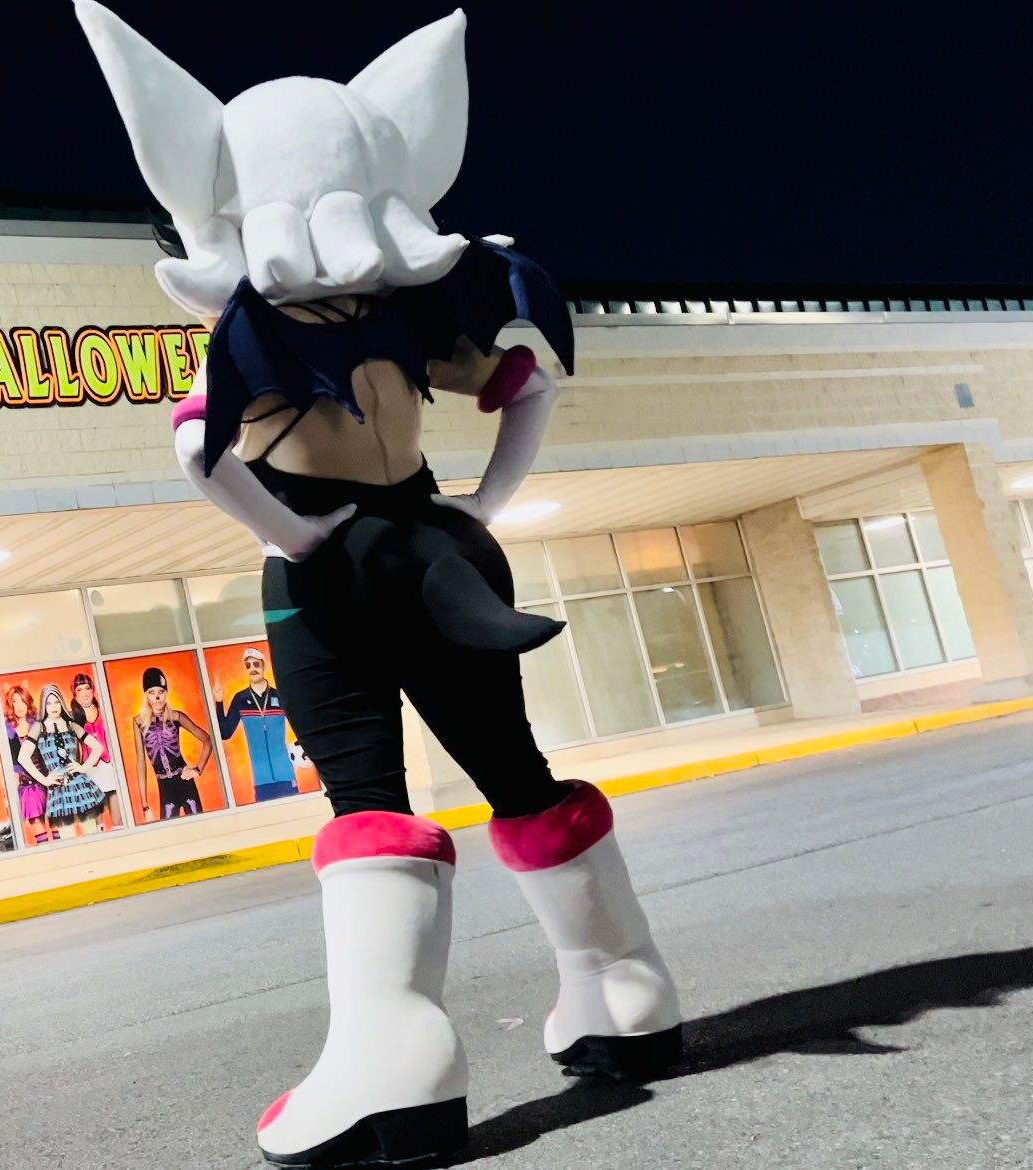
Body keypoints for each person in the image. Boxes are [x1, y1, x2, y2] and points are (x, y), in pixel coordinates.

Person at [76, 5, 683, 1166]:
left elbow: (197, 453)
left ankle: (395, 1060)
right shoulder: (416, 315)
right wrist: (480, 506)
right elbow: (527, 381)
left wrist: (295, 537)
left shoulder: (252, 329)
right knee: (514, 770)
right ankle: (624, 990)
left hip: (331, 574)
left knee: (364, 795)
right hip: (441, 545)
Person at [19, 685, 110, 838]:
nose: (53, 706)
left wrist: (83, 767)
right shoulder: (39, 727)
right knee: (67, 837)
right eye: (49, 703)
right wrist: (44, 780)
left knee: (91, 833)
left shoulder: (70, 725)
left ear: (61, 702)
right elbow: (22, 757)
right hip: (58, 790)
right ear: (43, 705)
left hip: (80, 786)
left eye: (56, 702)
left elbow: (98, 747)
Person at [215, 646, 299, 801]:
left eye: (256, 664)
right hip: (261, 779)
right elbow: (225, 733)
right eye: (248, 665)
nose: (252, 669)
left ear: (263, 666)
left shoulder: (279, 695)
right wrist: (219, 702)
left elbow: (300, 725)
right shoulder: (240, 699)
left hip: (286, 774)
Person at [131, 666, 214, 819]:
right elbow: (140, 763)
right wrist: (145, 805)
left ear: (166, 693)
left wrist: (198, 769)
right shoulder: (138, 722)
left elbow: (207, 740)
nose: (157, 697)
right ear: (146, 695)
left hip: (185, 782)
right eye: (152, 692)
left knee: (199, 824)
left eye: (161, 691)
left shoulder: (176, 717)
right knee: (169, 827)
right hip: (165, 788)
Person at [69, 673, 121, 830]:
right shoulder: (72, 717)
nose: (85, 693)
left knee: (118, 819)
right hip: (90, 769)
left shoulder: (104, 711)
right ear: (74, 694)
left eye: (87, 688)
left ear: (93, 690)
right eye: (80, 690)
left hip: (109, 766)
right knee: (99, 824)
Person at [3, 685, 50, 843]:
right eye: (14, 701)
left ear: (28, 702)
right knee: (39, 830)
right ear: (10, 705)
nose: (19, 706)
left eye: (22, 701)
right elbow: (12, 760)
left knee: (57, 826)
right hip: (27, 784)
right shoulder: (7, 731)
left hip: (48, 779)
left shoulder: (39, 725)